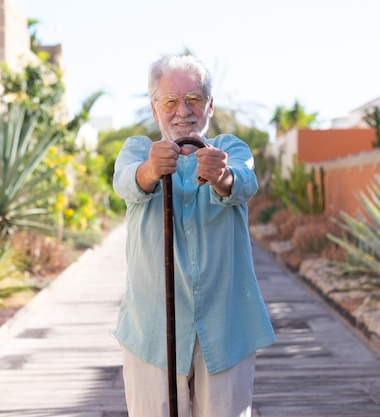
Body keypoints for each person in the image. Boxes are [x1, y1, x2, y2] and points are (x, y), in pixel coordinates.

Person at [112, 54, 275, 417]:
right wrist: (151, 170)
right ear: (155, 110)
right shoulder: (137, 150)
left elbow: (243, 182)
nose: (182, 110)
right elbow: (127, 182)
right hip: (151, 331)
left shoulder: (229, 149)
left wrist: (220, 176)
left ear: (210, 106)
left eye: (194, 99)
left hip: (225, 328)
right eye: (170, 101)